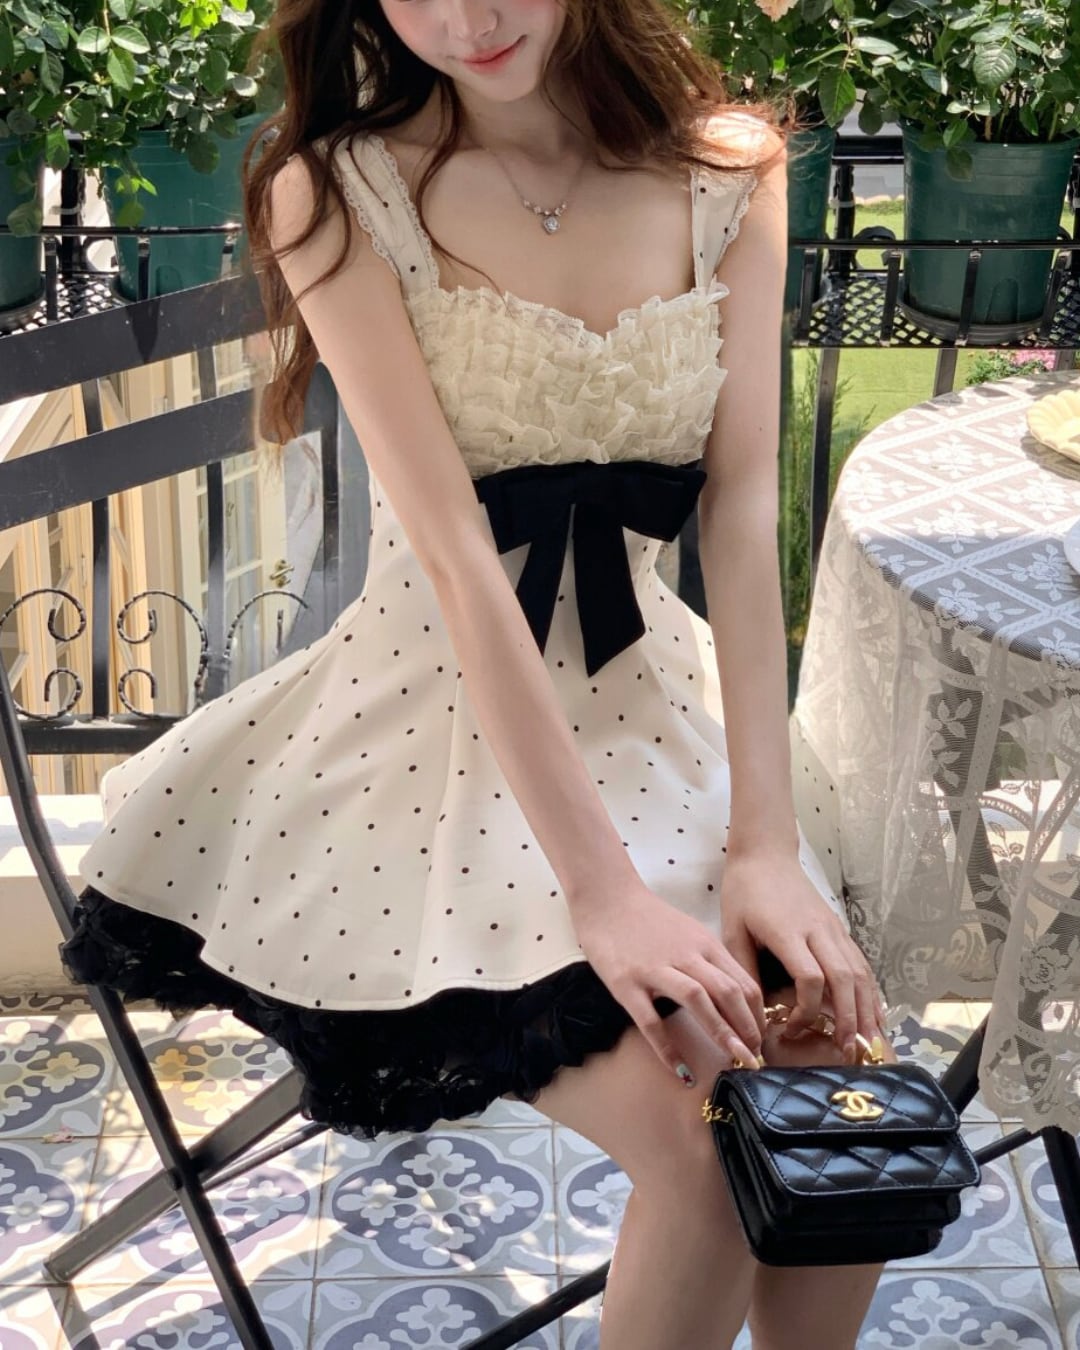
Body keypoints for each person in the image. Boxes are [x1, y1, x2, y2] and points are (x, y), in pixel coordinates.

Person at [59, 0, 897, 1345]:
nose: (465, 19)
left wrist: (765, 843)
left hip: (659, 712)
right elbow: (456, 561)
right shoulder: (338, 191)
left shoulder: (729, 173)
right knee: (708, 1154)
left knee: (836, 1093)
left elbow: (741, 509)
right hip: (428, 745)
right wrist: (605, 896)